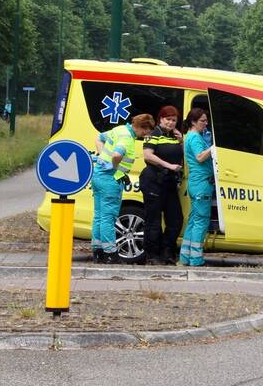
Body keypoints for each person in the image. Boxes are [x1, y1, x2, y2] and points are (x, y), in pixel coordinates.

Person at [91, 113, 155, 263]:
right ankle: (111, 254)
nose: (146, 134)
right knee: (108, 217)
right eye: (146, 131)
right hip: (111, 180)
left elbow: (99, 138)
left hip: (98, 176)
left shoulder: (119, 129)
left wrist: (102, 157)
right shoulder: (127, 138)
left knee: (99, 216)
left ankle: (98, 251)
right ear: (141, 127)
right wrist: (115, 168)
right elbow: (116, 154)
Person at [140, 106, 184, 265]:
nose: (171, 123)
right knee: (153, 220)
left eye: (174, 120)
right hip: (153, 179)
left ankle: (167, 251)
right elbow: (148, 156)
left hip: (170, 182)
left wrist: (182, 141)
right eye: (168, 119)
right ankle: (152, 255)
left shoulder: (175, 136)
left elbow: (183, 156)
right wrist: (168, 166)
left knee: (176, 219)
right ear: (161, 119)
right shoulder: (154, 134)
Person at [180, 108, 214, 267]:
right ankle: (196, 259)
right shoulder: (194, 137)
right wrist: (214, 147)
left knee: (194, 220)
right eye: (203, 121)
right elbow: (200, 157)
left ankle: (185, 257)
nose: (206, 124)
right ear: (193, 122)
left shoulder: (192, 136)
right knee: (201, 221)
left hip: (196, 183)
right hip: (201, 183)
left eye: (206, 120)